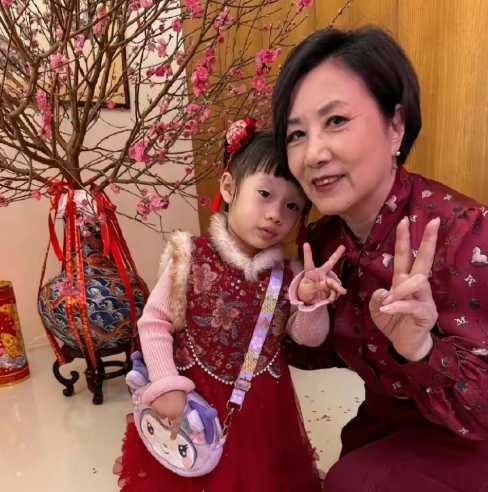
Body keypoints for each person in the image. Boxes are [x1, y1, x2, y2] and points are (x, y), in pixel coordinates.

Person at [271, 26, 488, 491]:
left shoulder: (465, 233)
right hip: (391, 421)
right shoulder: (325, 240)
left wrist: (421, 350)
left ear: (396, 126)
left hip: (475, 431)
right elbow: (316, 354)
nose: (313, 154)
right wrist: (302, 307)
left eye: (335, 121)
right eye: (296, 133)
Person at [114, 122, 346, 492]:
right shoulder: (189, 256)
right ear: (229, 187)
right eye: (265, 194)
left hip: (263, 412)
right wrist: (167, 384)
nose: (276, 214)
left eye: (292, 206)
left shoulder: (288, 276)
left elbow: (309, 338)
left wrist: (311, 301)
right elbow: (154, 322)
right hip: (197, 399)